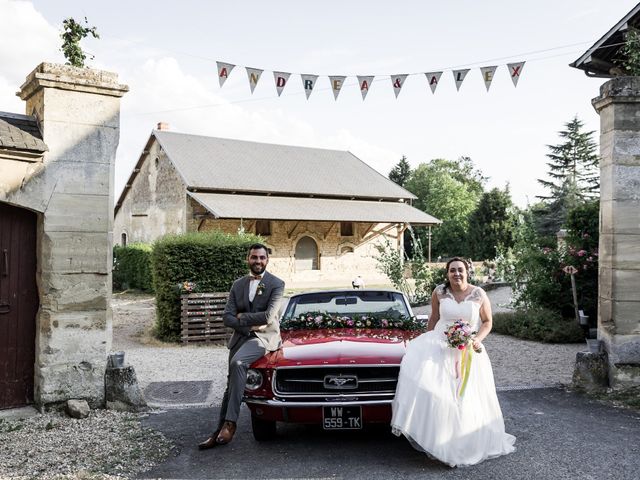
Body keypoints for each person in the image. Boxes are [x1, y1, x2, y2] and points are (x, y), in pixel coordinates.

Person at [391, 257, 515, 467]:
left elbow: (487, 322)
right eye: (452, 270)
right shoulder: (439, 292)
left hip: (468, 349)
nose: (456, 273)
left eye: (460, 270)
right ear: (447, 274)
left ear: (467, 271)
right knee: (437, 394)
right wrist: (425, 341)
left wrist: (476, 339)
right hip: (439, 346)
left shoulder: (478, 293)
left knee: (467, 396)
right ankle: (439, 442)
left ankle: (464, 442)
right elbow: (434, 318)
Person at [198, 243, 285, 449]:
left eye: (262, 258)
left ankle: (231, 424)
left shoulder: (277, 284)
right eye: (254, 257)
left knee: (238, 364)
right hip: (241, 338)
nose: (258, 261)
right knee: (231, 387)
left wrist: (242, 316)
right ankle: (217, 431)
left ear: (267, 260)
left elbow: (267, 316)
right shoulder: (238, 285)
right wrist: (247, 323)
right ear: (248, 259)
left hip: (263, 339)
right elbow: (227, 317)